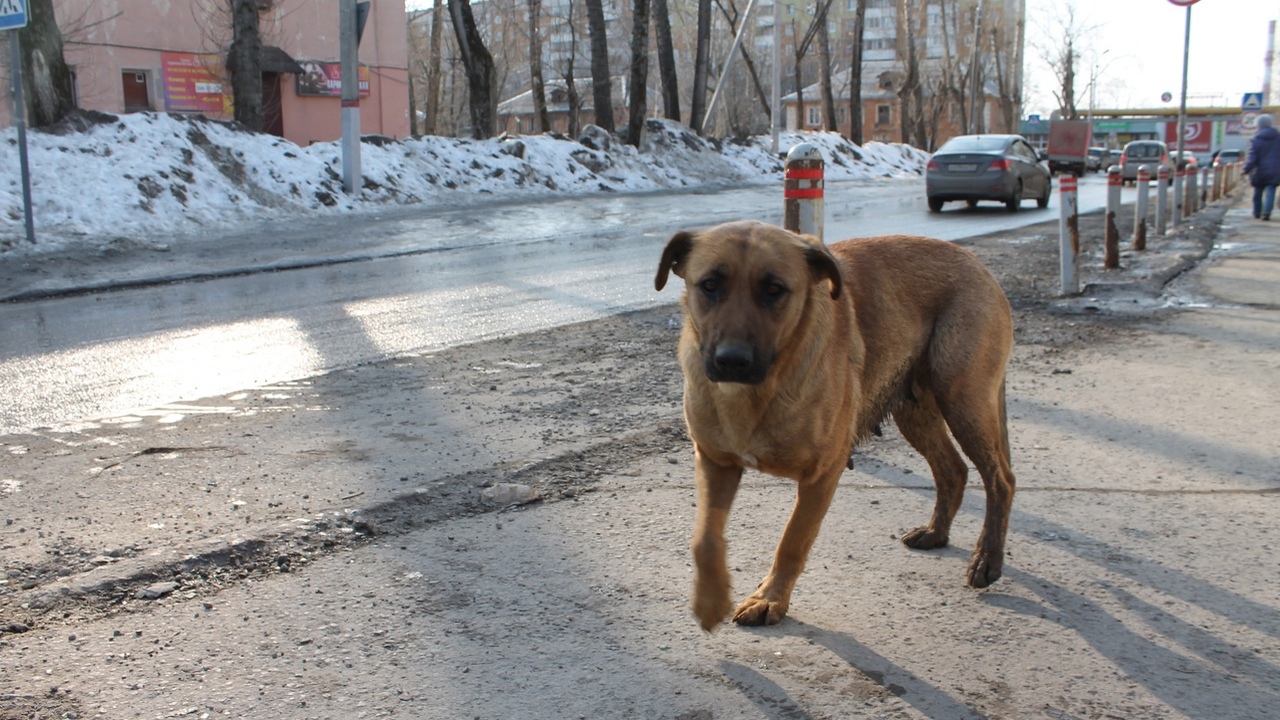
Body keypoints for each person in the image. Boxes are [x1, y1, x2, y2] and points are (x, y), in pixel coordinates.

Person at [1244, 113, 1280, 220]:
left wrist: (1246, 169)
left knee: (1258, 192)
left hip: (1259, 171)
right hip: (1275, 170)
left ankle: (1256, 212)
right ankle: (1266, 213)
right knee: (1271, 191)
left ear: (1259, 125)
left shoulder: (1256, 139)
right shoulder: (1278, 138)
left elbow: (1252, 157)